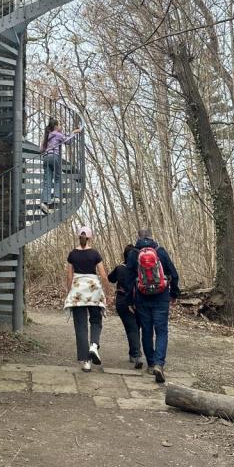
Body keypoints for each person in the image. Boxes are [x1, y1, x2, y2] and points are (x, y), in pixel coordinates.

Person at [125, 228, 180, 382]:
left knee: (147, 331)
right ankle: (159, 364)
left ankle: (150, 364)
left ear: (138, 238)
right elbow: (174, 274)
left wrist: (130, 301)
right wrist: (174, 294)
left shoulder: (133, 254)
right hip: (161, 297)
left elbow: (128, 280)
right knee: (162, 331)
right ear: (151, 237)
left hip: (142, 299)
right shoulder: (160, 251)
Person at [63, 225, 110, 372]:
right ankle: (94, 345)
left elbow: (69, 276)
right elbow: (103, 275)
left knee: (80, 326)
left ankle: (86, 362)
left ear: (79, 237)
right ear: (90, 238)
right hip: (93, 291)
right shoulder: (95, 254)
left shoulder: (72, 254)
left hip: (78, 292)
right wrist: (107, 292)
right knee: (96, 320)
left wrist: (69, 292)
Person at [108, 244, 143, 369]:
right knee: (135, 327)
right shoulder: (140, 268)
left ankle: (136, 355)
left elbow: (110, 278)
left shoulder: (120, 268)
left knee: (131, 328)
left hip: (123, 300)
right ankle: (134, 353)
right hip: (139, 300)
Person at [40, 117, 82, 214]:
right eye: (59, 125)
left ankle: (45, 202)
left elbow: (41, 150)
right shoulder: (58, 134)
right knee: (58, 177)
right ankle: (56, 197)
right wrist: (74, 132)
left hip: (46, 158)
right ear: (55, 127)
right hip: (54, 157)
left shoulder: (47, 136)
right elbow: (68, 141)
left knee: (47, 181)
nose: (61, 126)